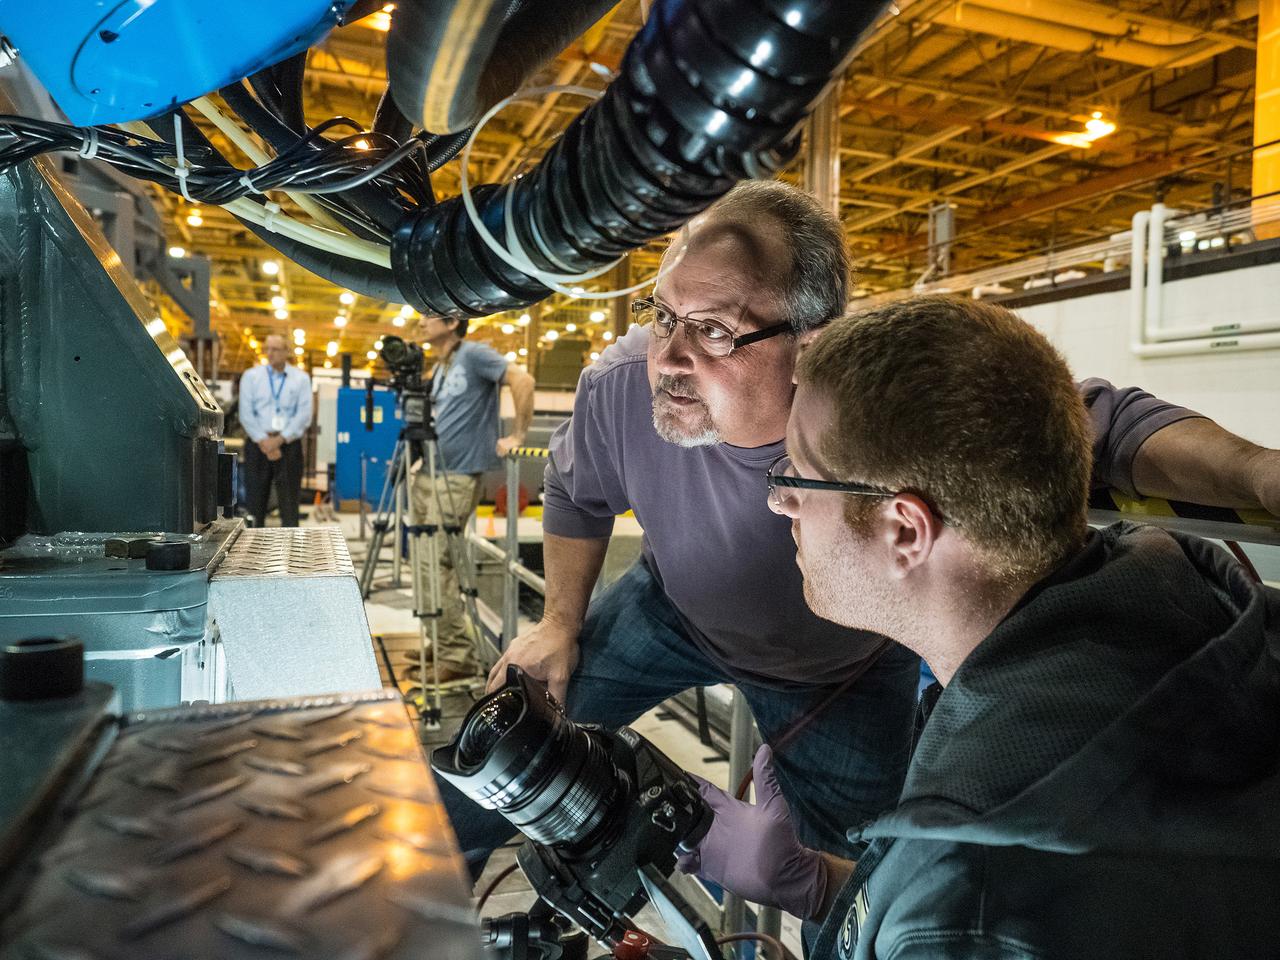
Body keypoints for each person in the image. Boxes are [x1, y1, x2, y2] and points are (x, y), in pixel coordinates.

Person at [446, 179, 1280, 873]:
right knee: (514, 746)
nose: (668, 356)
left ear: (813, 342)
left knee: (863, 874)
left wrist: (1256, 474)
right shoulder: (622, 386)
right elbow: (578, 496)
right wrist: (557, 622)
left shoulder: (868, 398)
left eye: (713, 330)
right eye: (665, 315)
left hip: (837, 672)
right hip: (675, 611)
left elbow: (1102, 421)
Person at [682, 295, 1280, 958]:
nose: (778, 499)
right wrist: (826, 887)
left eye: (800, 473)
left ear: (905, 531)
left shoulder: (978, 903)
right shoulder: (1189, 623)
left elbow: (975, 914)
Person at [412, 312, 536, 683]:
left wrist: (517, 435)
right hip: (430, 473)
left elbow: (523, 380)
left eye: (429, 315)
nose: (421, 321)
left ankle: (457, 656)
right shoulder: (441, 367)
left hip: (457, 476)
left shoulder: (474, 354)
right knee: (423, 561)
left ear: (451, 322)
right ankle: (441, 638)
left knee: (438, 562)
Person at [239, 334, 313, 527]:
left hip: (288, 447)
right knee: (255, 505)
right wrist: (264, 441)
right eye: (267, 349)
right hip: (258, 446)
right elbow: (246, 413)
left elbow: (304, 414)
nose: (270, 354)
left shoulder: (301, 379)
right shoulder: (251, 377)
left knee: (289, 505)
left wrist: (279, 440)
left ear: (286, 352)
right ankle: (253, 551)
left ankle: (291, 551)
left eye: (275, 349)